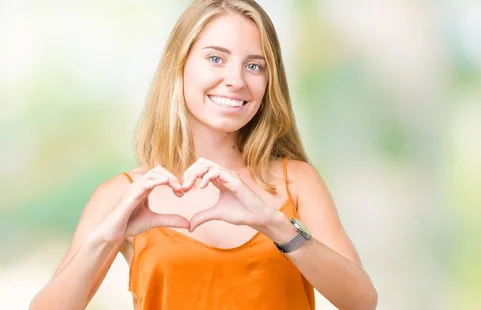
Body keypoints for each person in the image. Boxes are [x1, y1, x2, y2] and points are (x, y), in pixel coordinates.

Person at [29, 1, 378, 309]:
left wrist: (275, 225)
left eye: (254, 66)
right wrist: (105, 241)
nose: (236, 80)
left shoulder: (295, 180)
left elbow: (361, 301)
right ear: (176, 64)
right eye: (215, 58)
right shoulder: (123, 195)